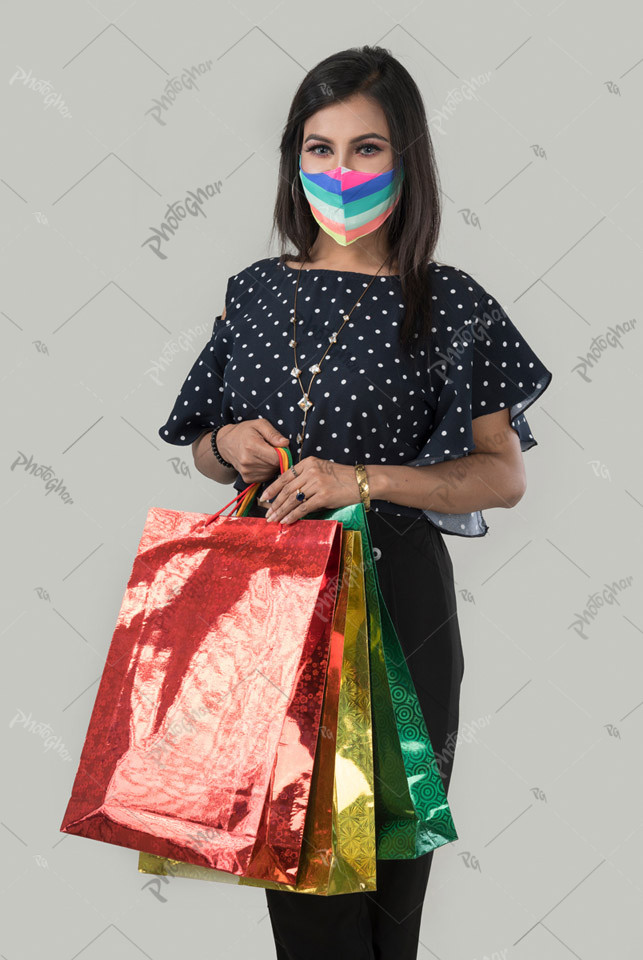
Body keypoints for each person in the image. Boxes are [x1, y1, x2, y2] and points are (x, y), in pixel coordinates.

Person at [157, 44, 553, 960]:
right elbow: (201, 450)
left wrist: (361, 481)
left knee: (388, 868)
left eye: (366, 148)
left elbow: (502, 474)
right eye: (318, 147)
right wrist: (226, 447)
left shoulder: (447, 303)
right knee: (296, 868)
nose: (341, 172)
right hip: (267, 611)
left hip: (398, 607)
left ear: (407, 160)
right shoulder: (251, 292)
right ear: (293, 163)